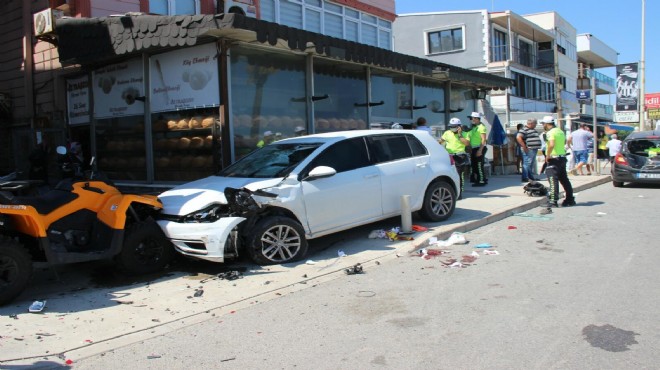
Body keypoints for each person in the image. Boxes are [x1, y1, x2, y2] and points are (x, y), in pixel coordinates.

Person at [540, 115, 575, 215]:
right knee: (564, 180)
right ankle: (570, 199)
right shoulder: (560, 131)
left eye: (543, 124)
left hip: (554, 158)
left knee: (553, 180)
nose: (543, 126)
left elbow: (551, 144)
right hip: (562, 157)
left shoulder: (550, 132)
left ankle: (553, 201)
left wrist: (548, 155)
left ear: (546, 124)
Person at [439, 117, 471, 198]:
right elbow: (441, 141)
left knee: (459, 175)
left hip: (459, 156)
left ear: (459, 126)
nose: (452, 128)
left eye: (454, 126)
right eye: (451, 126)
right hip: (449, 156)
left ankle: (459, 193)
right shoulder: (447, 133)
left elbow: (467, 143)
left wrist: (460, 135)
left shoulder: (465, 134)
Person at [467, 112, 488, 186]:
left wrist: (480, 150)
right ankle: (480, 179)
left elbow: (483, 139)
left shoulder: (481, 127)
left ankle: (481, 181)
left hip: (479, 148)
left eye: (472, 118)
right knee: (474, 165)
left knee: (479, 165)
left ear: (476, 118)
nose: (471, 120)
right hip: (474, 148)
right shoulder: (473, 127)